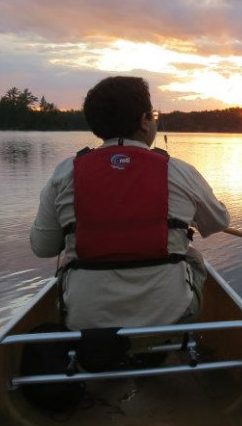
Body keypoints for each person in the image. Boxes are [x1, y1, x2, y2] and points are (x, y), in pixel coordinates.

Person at [30, 76, 229, 331]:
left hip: (84, 318)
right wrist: (181, 218)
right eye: (153, 115)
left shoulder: (64, 173)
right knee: (192, 256)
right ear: (144, 121)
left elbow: (43, 247)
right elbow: (219, 222)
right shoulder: (180, 172)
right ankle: (173, 342)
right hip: (170, 315)